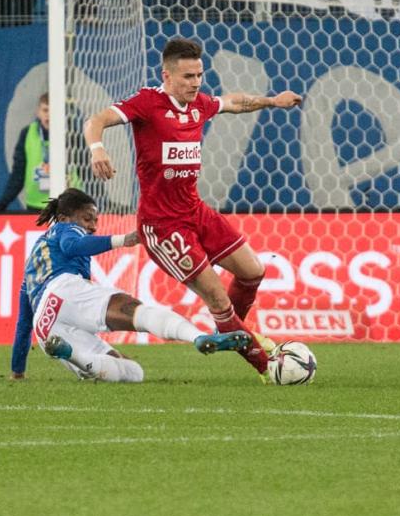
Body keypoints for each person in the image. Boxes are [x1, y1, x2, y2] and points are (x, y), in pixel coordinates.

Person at [84, 38, 302, 382]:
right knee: (216, 296)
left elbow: (234, 102)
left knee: (253, 270)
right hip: (163, 225)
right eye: (187, 76)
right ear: (167, 76)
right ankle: (267, 365)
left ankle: (233, 331)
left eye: (199, 74)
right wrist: (98, 149)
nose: (196, 82)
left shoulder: (200, 104)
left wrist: (272, 101)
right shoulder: (147, 102)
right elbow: (95, 120)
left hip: (195, 211)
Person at [10, 188, 250, 382]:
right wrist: (122, 240)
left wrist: (17, 371)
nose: (92, 226)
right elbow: (72, 246)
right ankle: (197, 336)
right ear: (64, 218)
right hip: (65, 291)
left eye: (95, 220)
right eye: (87, 219)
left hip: (45, 327)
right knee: (136, 311)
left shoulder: (31, 270)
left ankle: (73, 355)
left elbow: (23, 324)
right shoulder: (64, 228)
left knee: (132, 372)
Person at [0, 93, 51, 214]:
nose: (49, 115)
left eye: (53, 110)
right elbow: (18, 173)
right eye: (45, 110)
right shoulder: (27, 133)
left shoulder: (70, 133)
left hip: (67, 204)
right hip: (36, 205)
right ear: (38, 112)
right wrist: (3, 203)